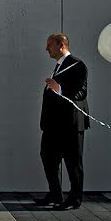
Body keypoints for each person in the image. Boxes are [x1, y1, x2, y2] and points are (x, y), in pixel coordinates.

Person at [36, 33, 89, 210]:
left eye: (49, 45)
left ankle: (74, 200)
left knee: (73, 163)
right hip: (53, 126)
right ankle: (56, 194)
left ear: (61, 45)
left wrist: (59, 88)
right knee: (48, 157)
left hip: (71, 125)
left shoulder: (77, 65)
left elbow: (81, 93)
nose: (46, 49)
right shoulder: (58, 67)